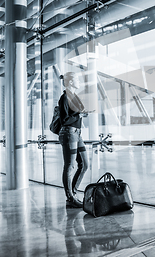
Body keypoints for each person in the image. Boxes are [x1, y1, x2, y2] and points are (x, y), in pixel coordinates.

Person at [58, 72, 90, 208]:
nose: (79, 82)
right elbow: (64, 119)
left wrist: (82, 112)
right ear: (70, 82)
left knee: (84, 164)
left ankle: (73, 193)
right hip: (69, 133)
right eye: (77, 79)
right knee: (70, 165)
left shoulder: (73, 96)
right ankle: (70, 198)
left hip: (77, 133)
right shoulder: (64, 98)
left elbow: (78, 111)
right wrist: (80, 114)